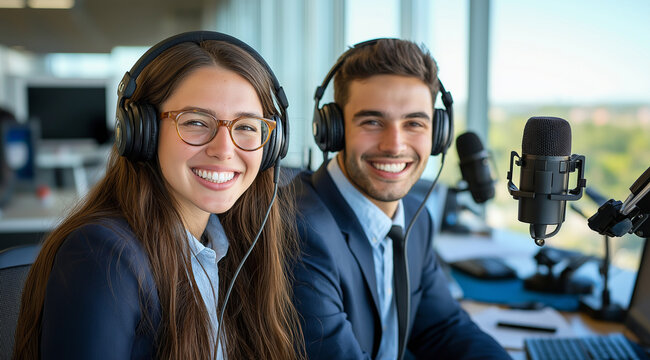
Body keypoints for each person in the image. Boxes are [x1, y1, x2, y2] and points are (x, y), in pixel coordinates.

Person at [13, 31, 303, 359]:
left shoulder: (228, 246)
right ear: (142, 133)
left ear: (271, 146)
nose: (224, 149)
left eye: (247, 126)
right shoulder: (103, 256)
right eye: (195, 122)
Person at [291, 38, 510, 359]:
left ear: (438, 134)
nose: (394, 145)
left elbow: (443, 328)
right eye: (372, 122)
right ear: (333, 129)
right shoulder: (299, 231)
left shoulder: (414, 215)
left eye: (414, 123)